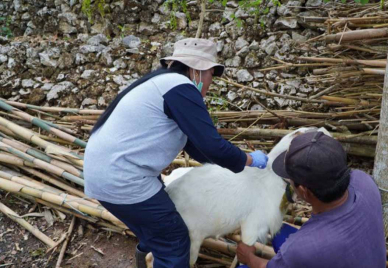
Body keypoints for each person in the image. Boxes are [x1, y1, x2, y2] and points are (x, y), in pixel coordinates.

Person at [83, 38, 269, 268]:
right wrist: (250, 160)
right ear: (198, 70)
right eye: (212, 74)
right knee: (174, 241)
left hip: (105, 173)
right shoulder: (180, 88)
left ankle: (146, 260)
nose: (211, 82)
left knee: (158, 228)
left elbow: (198, 147)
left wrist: (235, 167)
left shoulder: (163, 83)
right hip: (123, 178)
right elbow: (212, 145)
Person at [237, 131, 387, 268]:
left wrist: (249, 257)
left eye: (289, 179)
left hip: (316, 250)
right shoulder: (364, 182)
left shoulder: (302, 248)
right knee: (279, 233)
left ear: (304, 191)